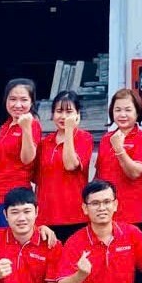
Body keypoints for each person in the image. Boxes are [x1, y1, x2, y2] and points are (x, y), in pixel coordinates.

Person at [35, 91, 94, 241]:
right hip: (47, 216)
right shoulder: (44, 143)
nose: (63, 116)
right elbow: (38, 180)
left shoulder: (85, 138)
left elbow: (70, 165)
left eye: (69, 111)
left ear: (77, 114)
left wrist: (69, 131)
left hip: (75, 215)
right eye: (59, 111)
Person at [94, 88, 142, 233]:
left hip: (133, 213)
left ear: (137, 112)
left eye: (128, 110)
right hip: (107, 212)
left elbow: (134, 173)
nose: (122, 114)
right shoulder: (106, 139)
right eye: (118, 110)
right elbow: (98, 175)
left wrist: (119, 149)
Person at [0, 78, 41, 230]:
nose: (17, 105)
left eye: (24, 100)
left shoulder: (32, 125)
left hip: (17, 199)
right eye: (12, 99)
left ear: (32, 102)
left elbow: (28, 158)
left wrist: (26, 128)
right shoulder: (5, 126)